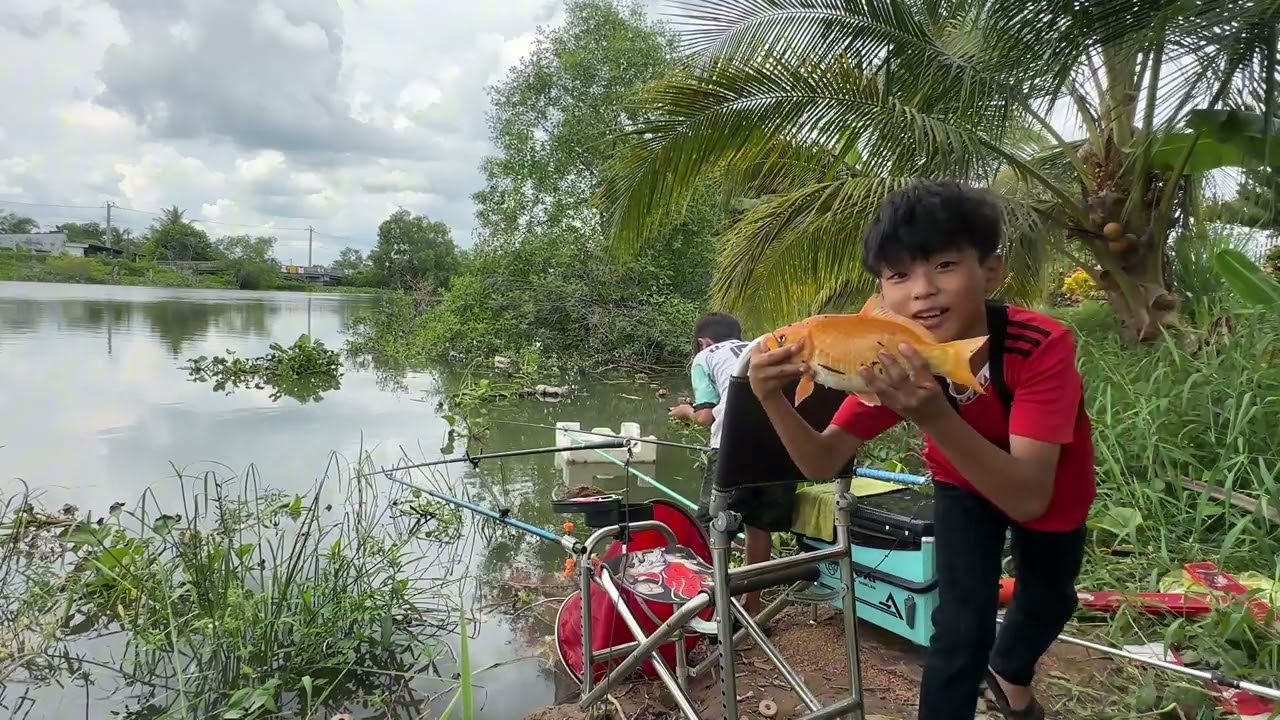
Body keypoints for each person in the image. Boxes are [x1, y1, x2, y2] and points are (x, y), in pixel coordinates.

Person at [746, 179, 1096, 720]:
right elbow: (820, 460)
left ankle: (1009, 674)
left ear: (991, 270)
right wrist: (769, 397)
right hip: (961, 484)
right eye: (899, 276)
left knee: (1049, 598)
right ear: (881, 295)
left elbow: (1029, 497)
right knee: (959, 624)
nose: (923, 291)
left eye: (945, 266)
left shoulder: (1038, 345)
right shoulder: (887, 355)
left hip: (1049, 487)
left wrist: (932, 414)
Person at [668, 311, 777, 617]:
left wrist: (685, 412)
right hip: (779, 444)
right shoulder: (760, 348)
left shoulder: (705, 357)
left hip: (733, 447)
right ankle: (753, 607)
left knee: (711, 525)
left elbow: (704, 416)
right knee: (758, 523)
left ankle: (714, 609)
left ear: (703, 341)